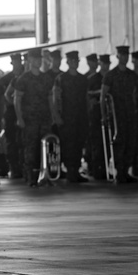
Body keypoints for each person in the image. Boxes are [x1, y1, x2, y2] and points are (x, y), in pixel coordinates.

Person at [14, 48, 52, 187]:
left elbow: (50, 99)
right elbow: (17, 100)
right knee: (30, 148)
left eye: (39, 59)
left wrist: (52, 115)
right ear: (29, 60)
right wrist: (20, 118)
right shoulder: (23, 79)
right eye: (35, 59)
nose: (38, 61)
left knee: (45, 148)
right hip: (29, 120)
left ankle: (46, 176)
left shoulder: (46, 78)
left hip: (44, 118)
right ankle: (30, 177)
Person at [102, 45, 138, 183]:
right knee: (119, 143)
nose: (125, 57)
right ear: (117, 56)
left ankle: (125, 171)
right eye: (122, 55)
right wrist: (104, 115)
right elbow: (103, 95)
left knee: (130, 142)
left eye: (127, 55)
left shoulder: (132, 75)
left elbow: (135, 95)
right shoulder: (110, 75)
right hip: (117, 116)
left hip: (130, 114)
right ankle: (120, 171)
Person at [51, 50, 89, 182]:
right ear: (67, 62)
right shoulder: (61, 79)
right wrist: (57, 116)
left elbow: (86, 99)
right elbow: (56, 99)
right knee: (68, 145)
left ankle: (76, 170)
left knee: (78, 144)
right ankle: (70, 170)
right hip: (66, 118)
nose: (74, 63)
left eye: (76, 61)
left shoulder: (83, 79)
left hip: (80, 117)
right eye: (71, 61)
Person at [1, 53, 25, 179]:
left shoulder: (24, 77)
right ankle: (14, 168)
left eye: (19, 61)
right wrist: (13, 104)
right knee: (11, 142)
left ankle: (23, 167)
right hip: (11, 114)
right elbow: (4, 96)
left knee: (23, 142)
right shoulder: (6, 79)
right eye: (15, 62)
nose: (17, 64)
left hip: (24, 114)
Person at [86, 53, 110, 179]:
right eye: (104, 64)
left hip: (110, 113)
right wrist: (100, 93)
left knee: (108, 142)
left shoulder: (111, 77)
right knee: (96, 143)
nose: (106, 66)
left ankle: (105, 168)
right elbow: (87, 94)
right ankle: (96, 169)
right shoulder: (92, 78)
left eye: (108, 64)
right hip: (95, 115)